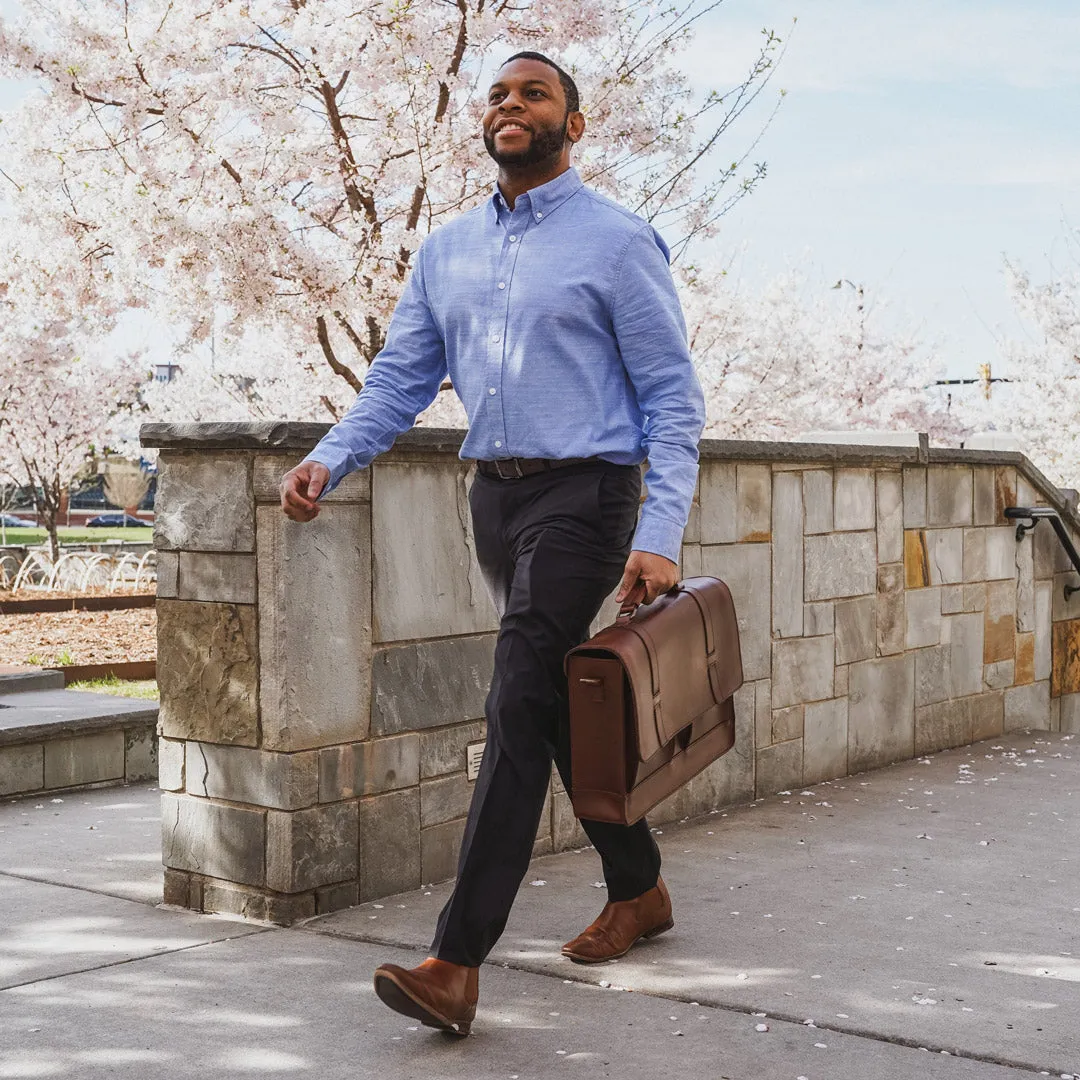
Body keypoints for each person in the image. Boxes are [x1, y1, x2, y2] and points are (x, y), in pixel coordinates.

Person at [279, 50, 705, 1036]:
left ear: (575, 124)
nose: (511, 105)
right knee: (549, 703)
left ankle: (455, 960)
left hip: (588, 495)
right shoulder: (448, 252)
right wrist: (329, 459)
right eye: (500, 94)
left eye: (535, 93)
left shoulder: (615, 241)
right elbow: (398, 378)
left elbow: (672, 396)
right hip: (497, 502)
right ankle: (638, 887)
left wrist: (660, 530)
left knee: (516, 695)